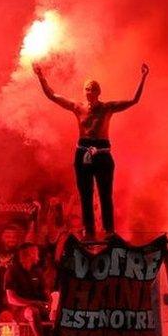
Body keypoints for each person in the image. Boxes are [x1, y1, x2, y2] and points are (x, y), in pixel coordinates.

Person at [33, 63, 149, 238]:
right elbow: (52, 96)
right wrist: (41, 76)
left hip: (102, 153)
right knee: (85, 193)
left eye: (93, 89)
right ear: (84, 91)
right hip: (83, 152)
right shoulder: (77, 107)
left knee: (105, 192)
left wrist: (143, 77)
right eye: (87, 89)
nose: (90, 92)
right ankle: (89, 231)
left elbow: (134, 100)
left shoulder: (107, 108)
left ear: (98, 92)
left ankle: (109, 230)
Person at [4, 243, 50, 336]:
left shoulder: (37, 271)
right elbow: (11, 298)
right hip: (20, 310)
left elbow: (44, 292)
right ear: (27, 254)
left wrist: (48, 302)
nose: (37, 254)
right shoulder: (12, 272)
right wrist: (33, 303)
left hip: (40, 307)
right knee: (32, 311)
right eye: (35, 252)